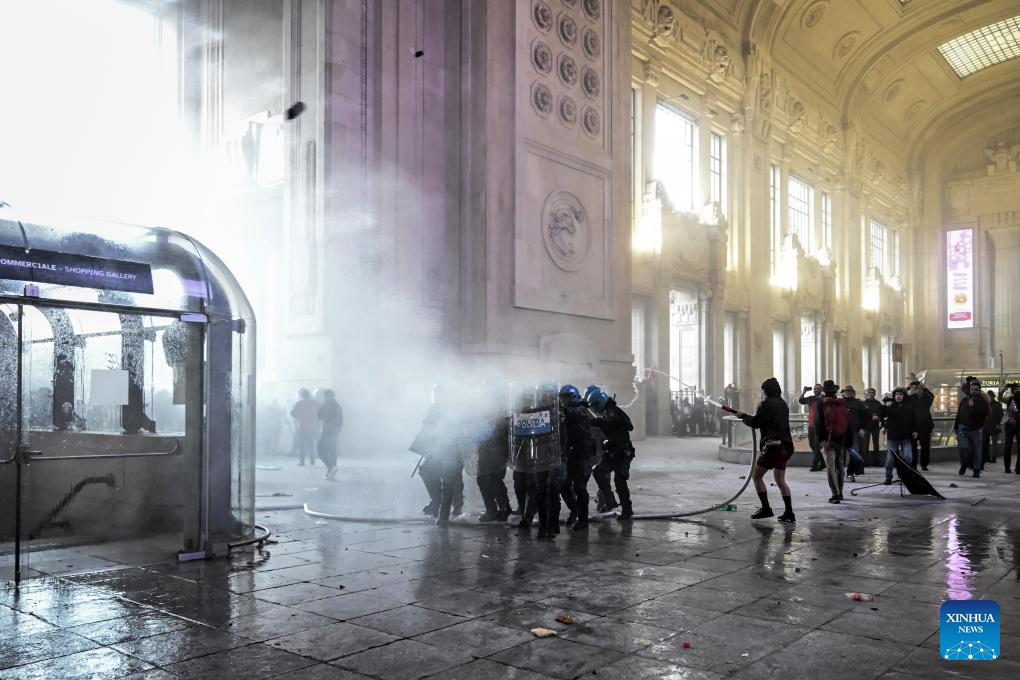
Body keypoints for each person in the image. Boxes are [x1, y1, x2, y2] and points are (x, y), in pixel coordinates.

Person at [736, 377, 795, 522]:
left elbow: (756, 422)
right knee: (781, 481)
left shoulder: (766, 404)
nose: (762, 393)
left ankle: (766, 508)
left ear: (767, 390)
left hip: (773, 448)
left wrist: (743, 416)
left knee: (756, 477)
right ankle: (789, 512)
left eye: (763, 390)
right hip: (786, 447)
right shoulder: (783, 404)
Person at [589, 389, 636, 521]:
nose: (594, 409)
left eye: (595, 406)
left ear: (600, 402)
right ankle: (610, 501)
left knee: (619, 480)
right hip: (612, 451)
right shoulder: (608, 410)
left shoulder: (613, 412)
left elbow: (608, 423)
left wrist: (593, 421)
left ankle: (627, 509)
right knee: (598, 471)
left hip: (622, 452)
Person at [559, 385, 595, 531]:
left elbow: (573, 413)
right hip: (572, 454)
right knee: (564, 485)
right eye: (562, 397)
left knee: (580, 487)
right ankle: (575, 510)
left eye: (565, 397)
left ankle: (583, 519)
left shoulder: (581, 409)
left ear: (573, 396)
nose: (563, 400)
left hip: (584, 454)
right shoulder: (567, 411)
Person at [474, 383, 512, 523]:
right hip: (488, 449)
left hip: (495, 450)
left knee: (492, 480)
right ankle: (496, 509)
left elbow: (502, 431)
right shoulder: (489, 409)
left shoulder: (499, 410)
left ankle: (500, 508)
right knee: (486, 480)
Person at [814, 380, 850, 504]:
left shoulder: (821, 403)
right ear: (835, 391)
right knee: (840, 467)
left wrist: (822, 440)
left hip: (828, 441)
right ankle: (840, 492)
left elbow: (818, 423)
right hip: (841, 440)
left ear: (824, 391)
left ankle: (835, 494)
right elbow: (847, 422)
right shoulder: (842, 402)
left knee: (830, 468)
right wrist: (847, 441)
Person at [879, 387, 917, 485]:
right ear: (894, 396)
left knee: (908, 457)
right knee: (890, 459)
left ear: (904, 396)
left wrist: (915, 430)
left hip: (906, 437)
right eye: (896, 395)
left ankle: (906, 476)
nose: (898, 396)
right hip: (893, 437)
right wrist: (884, 406)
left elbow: (913, 420)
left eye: (900, 394)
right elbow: (882, 415)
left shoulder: (909, 407)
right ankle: (888, 477)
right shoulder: (890, 406)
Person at [954, 379, 990, 478]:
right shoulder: (964, 400)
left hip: (976, 431)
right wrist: (956, 427)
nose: (973, 391)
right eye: (972, 389)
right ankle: (964, 464)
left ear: (979, 391)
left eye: (976, 389)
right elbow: (959, 414)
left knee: (977, 451)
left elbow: (983, 413)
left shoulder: (983, 402)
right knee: (963, 447)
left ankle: (976, 469)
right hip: (962, 430)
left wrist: (974, 406)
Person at [906, 380, 935, 471]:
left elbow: (932, 396)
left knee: (925, 447)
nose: (918, 390)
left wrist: (924, 388)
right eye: (916, 389)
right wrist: (908, 388)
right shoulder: (911, 398)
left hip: (925, 427)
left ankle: (924, 465)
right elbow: (903, 396)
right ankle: (913, 464)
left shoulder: (927, 399)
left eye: (919, 388)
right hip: (913, 427)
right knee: (913, 447)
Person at [842, 385, 867, 482]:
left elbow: (865, 416)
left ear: (853, 392)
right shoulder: (840, 402)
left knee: (854, 453)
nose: (848, 392)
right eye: (846, 391)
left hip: (854, 432)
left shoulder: (859, 403)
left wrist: (863, 428)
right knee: (840, 454)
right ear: (844, 392)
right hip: (841, 433)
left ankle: (850, 473)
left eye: (850, 391)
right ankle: (840, 472)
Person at [317, 389, 343, 480]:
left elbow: (320, 415)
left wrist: (322, 406)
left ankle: (331, 467)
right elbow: (340, 421)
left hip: (327, 431)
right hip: (334, 431)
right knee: (331, 449)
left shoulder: (327, 405)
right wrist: (337, 430)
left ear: (326, 396)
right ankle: (332, 470)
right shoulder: (337, 405)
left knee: (320, 450)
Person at [290, 388, 320, 467]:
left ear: (302, 395)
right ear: (309, 395)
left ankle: (302, 461)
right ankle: (312, 459)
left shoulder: (299, 403)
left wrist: (298, 416)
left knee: (302, 444)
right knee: (311, 443)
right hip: (312, 426)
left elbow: (292, 413)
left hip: (302, 425)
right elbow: (321, 413)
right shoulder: (315, 403)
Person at [799, 384, 825, 472]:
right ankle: (822, 462)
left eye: (818, 388)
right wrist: (804, 392)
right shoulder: (811, 398)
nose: (816, 390)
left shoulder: (824, 399)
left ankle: (815, 465)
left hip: (820, 426)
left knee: (817, 446)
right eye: (815, 388)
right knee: (812, 444)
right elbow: (801, 401)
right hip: (811, 425)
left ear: (821, 390)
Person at [1000, 384, 1019, 474]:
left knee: (1008, 446)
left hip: (1011, 424)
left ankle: (1009, 467)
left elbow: (1000, 398)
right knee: (1008, 446)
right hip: (1013, 425)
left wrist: (1004, 389)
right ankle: (1015, 468)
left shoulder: (1010, 399)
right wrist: (1004, 389)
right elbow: (1000, 398)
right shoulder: (1010, 399)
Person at [862, 388, 883, 464]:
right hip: (866, 426)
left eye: (872, 392)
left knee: (876, 444)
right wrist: (872, 415)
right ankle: (865, 461)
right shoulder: (864, 403)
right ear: (867, 393)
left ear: (875, 393)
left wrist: (878, 417)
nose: (871, 394)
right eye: (870, 392)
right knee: (865, 444)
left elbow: (881, 413)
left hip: (875, 426)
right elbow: (863, 414)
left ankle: (876, 461)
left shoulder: (878, 403)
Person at [984, 390, 1004, 468]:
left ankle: (993, 457)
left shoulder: (997, 404)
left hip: (995, 426)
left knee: (994, 443)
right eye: (988, 396)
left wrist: (998, 424)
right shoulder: (986, 404)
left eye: (990, 396)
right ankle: (987, 457)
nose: (989, 398)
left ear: (992, 396)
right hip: (987, 426)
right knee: (986, 443)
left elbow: (1001, 415)